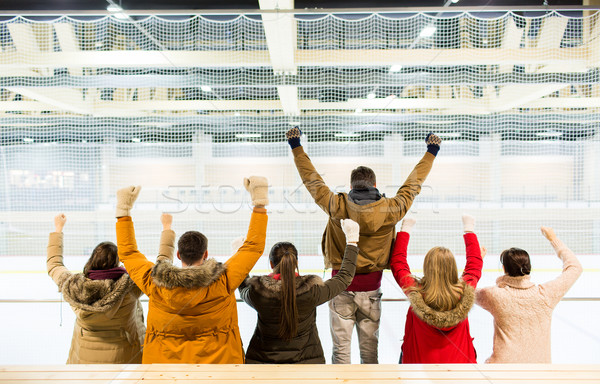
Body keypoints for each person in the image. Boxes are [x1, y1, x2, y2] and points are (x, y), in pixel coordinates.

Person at [285, 126, 441, 364]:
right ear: (374, 184)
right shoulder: (393, 208)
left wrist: (296, 147)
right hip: (372, 290)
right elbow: (413, 184)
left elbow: (312, 180)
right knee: (370, 355)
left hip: (340, 288)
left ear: (351, 187)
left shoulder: (337, 205)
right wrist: (431, 151)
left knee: (340, 353)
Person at [114, 176, 269, 364]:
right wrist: (259, 203)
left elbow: (128, 253)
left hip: (164, 370)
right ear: (206, 254)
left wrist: (123, 211)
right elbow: (252, 247)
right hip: (221, 368)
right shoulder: (224, 279)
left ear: (178, 255)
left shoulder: (154, 282)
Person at [46, 212, 173, 364]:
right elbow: (162, 269)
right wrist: (167, 228)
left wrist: (58, 228)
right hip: (126, 360)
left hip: (84, 363)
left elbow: (54, 264)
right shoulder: (130, 287)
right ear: (117, 263)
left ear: (92, 260)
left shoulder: (75, 288)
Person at [239, 219, 360, 364]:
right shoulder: (311, 291)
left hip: (263, 362)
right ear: (296, 263)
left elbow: (241, 285)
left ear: (271, 263)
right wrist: (352, 241)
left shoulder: (257, 292)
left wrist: (238, 253)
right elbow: (344, 278)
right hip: (307, 364)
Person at [476, 227, 582, 363]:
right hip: (540, 371)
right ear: (529, 268)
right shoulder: (546, 295)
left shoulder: (494, 295)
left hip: (502, 370)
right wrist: (553, 239)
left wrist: (477, 261)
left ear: (504, 269)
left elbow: (463, 289)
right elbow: (575, 267)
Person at [389, 215, 483, 363]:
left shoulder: (416, 291)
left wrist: (405, 228)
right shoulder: (463, 293)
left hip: (418, 366)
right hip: (459, 368)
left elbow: (397, 263)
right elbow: (474, 265)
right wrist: (469, 229)